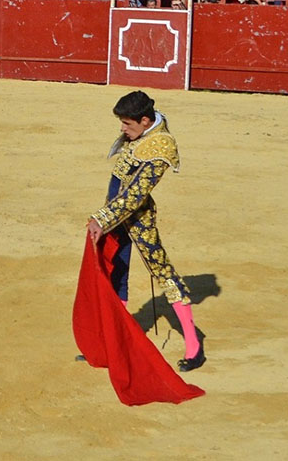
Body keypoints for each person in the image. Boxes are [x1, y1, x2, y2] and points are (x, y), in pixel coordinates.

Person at [87, 91, 204, 373]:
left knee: (163, 272)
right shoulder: (141, 129)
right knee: (116, 272)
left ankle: (194, 345)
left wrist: (103, 219)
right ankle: (114, 343)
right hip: (114, 214)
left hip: (137, 219)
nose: (122, 129)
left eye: (127, 124)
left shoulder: (162, 145)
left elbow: (136, 195)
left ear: (143, 120)